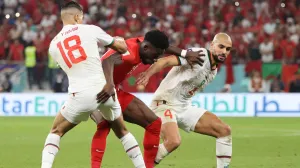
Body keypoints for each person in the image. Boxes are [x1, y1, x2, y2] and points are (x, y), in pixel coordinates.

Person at [42, 1, 146, 168]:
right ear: (77, 17)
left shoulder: (53, 45)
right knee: (122, 131)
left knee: (56, 131)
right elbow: (121, 47)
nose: (82, 20)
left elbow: (68, 67)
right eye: (81, 17)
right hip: (104, 90)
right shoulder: (90, 29)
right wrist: (119, 40)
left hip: (80, 94)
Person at [90, 30, 204, 168]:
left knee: (154, 123)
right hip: (98, 89)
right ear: (146, 48)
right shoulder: (130, 53)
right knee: (104, 125)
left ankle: (148, 166)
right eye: (155, 55)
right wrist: (109, 84)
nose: (156, 59)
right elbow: (107, 60)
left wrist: (185, 54)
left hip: (114, 90)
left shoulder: (144, 42)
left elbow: (164, 47)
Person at [137, 33, 233, 168]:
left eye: (228, 49)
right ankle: (142, 165)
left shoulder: (213, 71)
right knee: (173, 141)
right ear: (212, 45)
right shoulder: (200, 55)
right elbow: (167, 60)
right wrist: (148, 73)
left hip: (184, 107)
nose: (224, 51)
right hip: (164, 103)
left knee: (224, 131)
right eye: (221, 47)